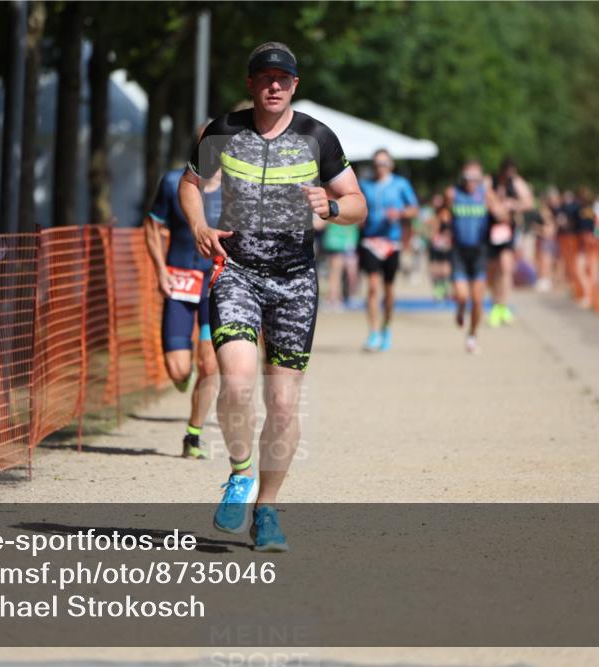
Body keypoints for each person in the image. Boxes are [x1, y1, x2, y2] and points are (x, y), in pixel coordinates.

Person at [179, 41, 365, 551]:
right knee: (235, 383)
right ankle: (240, 473)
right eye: (265, 77)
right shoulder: (224, 131)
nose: (274, 85)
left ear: (295, 85)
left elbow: (357, 204)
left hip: (295, 281)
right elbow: (189, 183)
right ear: (251, 83)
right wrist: (198, 223)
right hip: (237, 272)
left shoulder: (316, 137)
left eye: (283, 78)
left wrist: (328, 206)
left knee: (282, 405)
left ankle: (267, 509)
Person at [143, 156, 223, 460]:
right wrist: (160, 270)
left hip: (215, 285)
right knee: (178, 369)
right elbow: (152, 226)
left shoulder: (236, 187)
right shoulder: (172, 182)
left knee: (210, 365)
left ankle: (193, 434)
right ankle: (182, 374)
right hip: (178, 281)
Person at [358, 149, 418, 351]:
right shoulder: (365, 185)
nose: (379, 167)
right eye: (376, 164)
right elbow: (357, 207)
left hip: (392, 242)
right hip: (371, 241)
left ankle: (386, 328)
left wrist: (400, 213)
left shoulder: (401, 184)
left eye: (383, 163)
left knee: (389, 290)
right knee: (373, 287)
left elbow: (414, 208)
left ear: (391, 165)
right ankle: (373, 332)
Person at [446, 160, 506, 354]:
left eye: (475, 178)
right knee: (463, 295)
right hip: (459, 251)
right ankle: (460, 309)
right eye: (467, 177)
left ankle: (472, 336)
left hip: (480, 251)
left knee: (478, 300)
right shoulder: (453, 194)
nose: (471, 181)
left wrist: (498, 209)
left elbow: (503, 216)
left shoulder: (486, 195)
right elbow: (443, 215)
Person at [487, 158, 533, 327]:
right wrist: (494, 206)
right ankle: (495, 302)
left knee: (506, 267)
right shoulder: (490, 181)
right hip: (489, 231)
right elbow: (483, 196)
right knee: (493, 270)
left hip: (507, 231)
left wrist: (513, 205)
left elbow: (528, 201)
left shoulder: (517, 183)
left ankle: (502, 305)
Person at [320, 214, 359, 309]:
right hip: (339, 244)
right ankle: (335, 298)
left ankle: (338, 298)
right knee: (338, 273)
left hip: (344, 244)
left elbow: (319, 225)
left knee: (345, 273)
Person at [425, 192, 453, 301]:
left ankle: (444, 287)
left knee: (444, 267)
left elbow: (447, 229)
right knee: (434, 268)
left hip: (443, 244)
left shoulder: (445, 214)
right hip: (434, 244)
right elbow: (428, 229)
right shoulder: (431, 214)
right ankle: (438, 288)